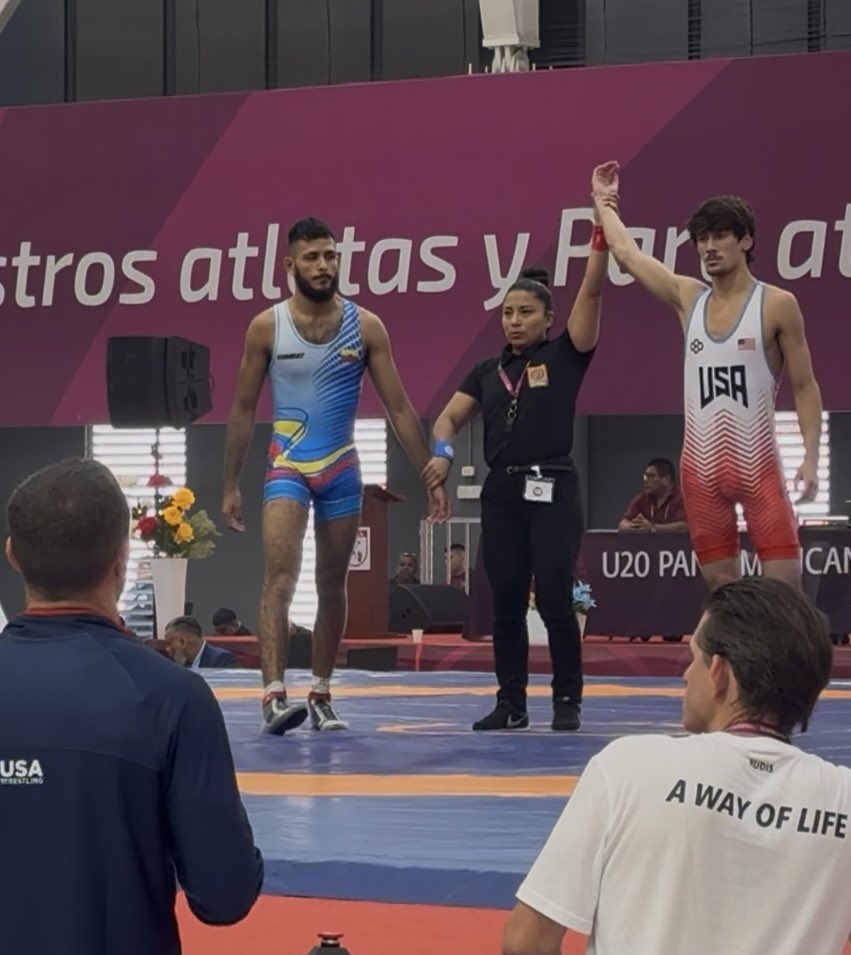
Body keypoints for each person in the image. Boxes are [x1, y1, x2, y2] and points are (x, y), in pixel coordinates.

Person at [0, 459, 262, 955]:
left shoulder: (169, 698)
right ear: (122, 558)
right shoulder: (172, 698)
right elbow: (225, 894)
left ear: (12, 555)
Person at [502, 578, 846, 955]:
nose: (685, 675)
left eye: (693, 658)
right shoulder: (843, 797)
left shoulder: (629, 767)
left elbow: (527, 941)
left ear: (719, 672)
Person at [223, 216, 449, 735]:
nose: (324, 266)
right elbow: (241, 407)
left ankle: (322, 691)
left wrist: (429, 477)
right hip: (287, 464)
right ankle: (273, 695)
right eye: (312, 257)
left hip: (342, 466)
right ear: (289, 266)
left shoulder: (366, 326)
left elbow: (399, 407)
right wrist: (230, 484)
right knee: (280, 577)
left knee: (333, 583)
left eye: (330, 256)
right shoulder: (266, 327)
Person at [592, 161, 823, 592]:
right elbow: (628, 254)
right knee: (722, 594)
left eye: (719, 236)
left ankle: (785, 661)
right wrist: (604, 203)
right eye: (702, 239)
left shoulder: (776, 305)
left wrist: (810, 457)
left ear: (746, 240)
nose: (709, 247)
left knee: (785, 596)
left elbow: (805, 386)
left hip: (760, 472)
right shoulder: (688, 298)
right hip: (701, 475)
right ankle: (729, 662)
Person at [424, 221, 610, 732]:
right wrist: (441, 454)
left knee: (553, 596)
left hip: (553, 486)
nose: (514, 321)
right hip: (503, 492)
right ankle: (511, 704)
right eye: (507, 313)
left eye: (526, 312)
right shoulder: (485, 371)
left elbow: (592, 291)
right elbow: (446, 419)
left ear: (549, 319)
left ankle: (566, 700)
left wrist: (600, 238)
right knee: (504, 599)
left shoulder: (567, 354)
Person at [617, 457, 688, 534]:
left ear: (666, 479)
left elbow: (684, 527)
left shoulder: (682, 498)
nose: (646, 480)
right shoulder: (643, 498)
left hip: (677, 545)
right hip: (648, 545)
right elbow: (622, 525)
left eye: (651, 476)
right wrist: (637, 527)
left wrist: (653, 528)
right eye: (645, 476)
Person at [165, 615, 240, 668]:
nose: (167, 649)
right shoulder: (177, 663)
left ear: (182, 642)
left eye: (170, 643)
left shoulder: (222, 660)